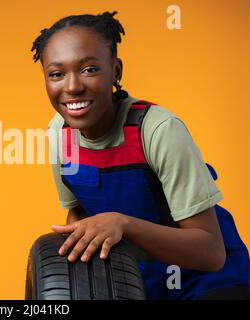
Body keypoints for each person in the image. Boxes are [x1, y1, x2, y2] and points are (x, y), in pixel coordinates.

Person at [30, 11, 249, 300]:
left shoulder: (158, 130)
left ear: (116, 71)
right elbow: (79, 214)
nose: (72, 87)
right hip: (135, 283)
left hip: (208, 283)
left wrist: (124, 223)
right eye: (56, 74)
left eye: (89, 69)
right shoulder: (60, 134)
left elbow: (211, 253)